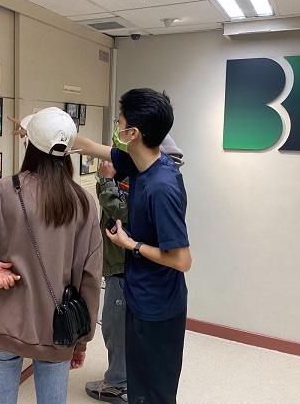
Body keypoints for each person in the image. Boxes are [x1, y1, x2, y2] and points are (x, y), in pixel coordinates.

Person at [12, 89, 190, 403]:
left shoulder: (161, 185)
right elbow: (88, 146)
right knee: (138, 386)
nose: (116, 131)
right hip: (141, 294)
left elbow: (181, 259)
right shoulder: (140, 164)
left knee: (155, 391)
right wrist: (34, 129)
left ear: (133, 133)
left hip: (158, 305)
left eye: (120, 124)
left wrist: (130, 244)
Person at [0, 107, 103, 404]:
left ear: (29, 146)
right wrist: (82, 340)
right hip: (58, 329)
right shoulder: (83, 203)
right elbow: (90, 277)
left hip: (3, 325)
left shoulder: (0, 192)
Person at [85, 161, 130, 403]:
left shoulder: (141, 176)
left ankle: (117, 384)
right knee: (118, 325)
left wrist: (107, 181)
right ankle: (124, 376)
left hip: (123, 266)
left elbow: (121, 212)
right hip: (122, 263)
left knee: (115, 327)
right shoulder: (140, 171)